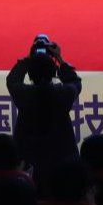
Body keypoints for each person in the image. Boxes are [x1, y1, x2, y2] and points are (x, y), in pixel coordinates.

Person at [6, 35, 82, 178]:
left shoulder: (24, 94)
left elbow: (12, 80)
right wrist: (59, 58)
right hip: (62, 168)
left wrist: (29, 59)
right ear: (54, 72)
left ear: (30, 74)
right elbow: (75, 82)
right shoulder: (63, 93)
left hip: (28, 167)